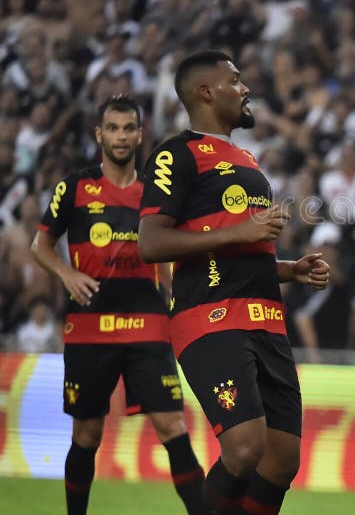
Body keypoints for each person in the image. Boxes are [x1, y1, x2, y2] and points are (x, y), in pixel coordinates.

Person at [137, 51, 330, 515]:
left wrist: (288, 268)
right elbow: (151, 242)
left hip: (266, 319)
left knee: (282, 460)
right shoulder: (176, 153)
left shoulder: (245, 157)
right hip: (210, 318)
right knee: (244, 446)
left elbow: (239, 249)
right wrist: (241, 231)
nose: (245, 89)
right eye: (235, 80)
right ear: (206, 91)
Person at [30, 95, 206, 515]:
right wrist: (67, 274)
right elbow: (41, 246)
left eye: (129, 128)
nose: (121, 136)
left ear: (140, 134)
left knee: (172, 426)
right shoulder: (74, 187)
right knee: (86, 435)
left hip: (147, 326)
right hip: (89, 329)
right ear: (99, 135)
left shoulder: (156, 193)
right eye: (113, 128)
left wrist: (174, 295)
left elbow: (171, 251)